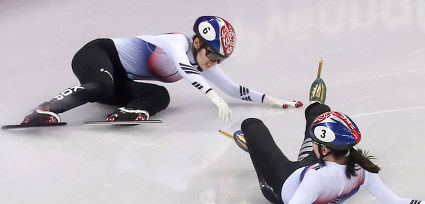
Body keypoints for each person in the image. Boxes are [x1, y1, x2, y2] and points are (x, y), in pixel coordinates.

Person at [208, 79, 425, 204]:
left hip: (280, 184)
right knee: (321, 114)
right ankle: (317, 107)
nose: (315, 144)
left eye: (316, 143)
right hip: (305, 169)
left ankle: (256, 151)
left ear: (324, 150)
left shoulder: (316, 177)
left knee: (253, 125)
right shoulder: (361, 168)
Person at [19, 16, 303, 126]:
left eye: (221, 59)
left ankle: (130, 111)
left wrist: (271, 100)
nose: (214, 64)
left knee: (161, 96)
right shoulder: (176, 43)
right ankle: (46, 109)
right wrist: (209, 95)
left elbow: (232, 89)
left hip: (121, 77)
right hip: (97, 54)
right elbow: (184, 68)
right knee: (102, 87)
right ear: (197, 41)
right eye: (213, 55)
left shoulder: (203, 61)